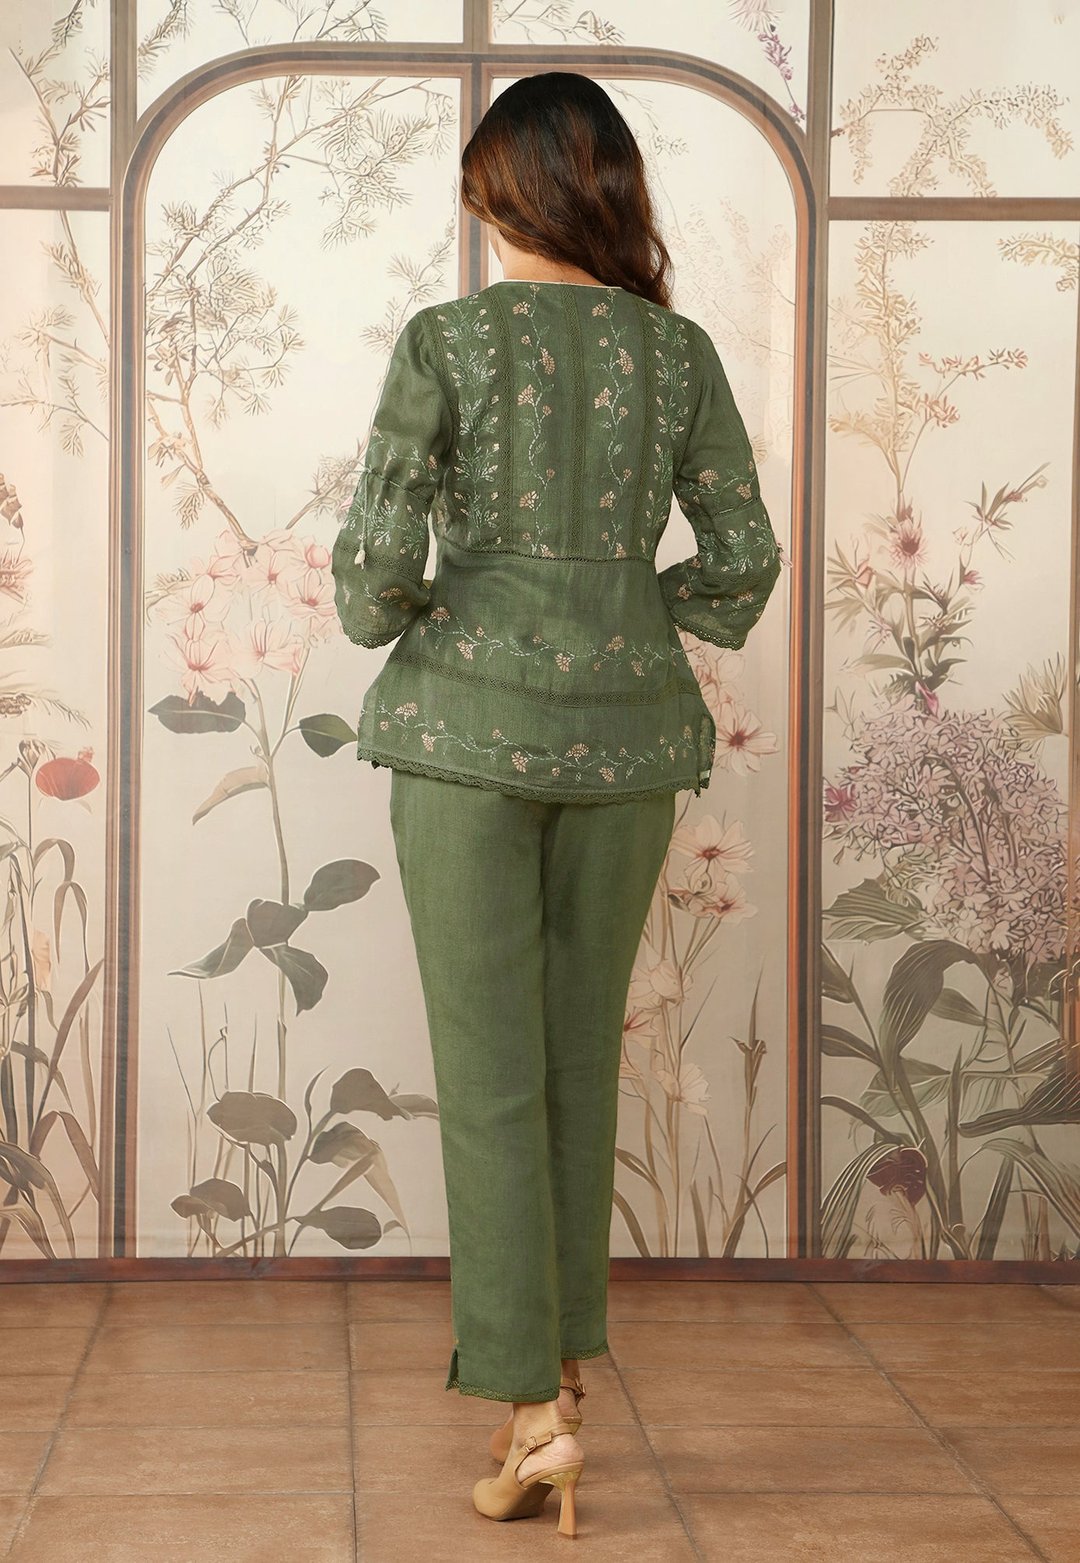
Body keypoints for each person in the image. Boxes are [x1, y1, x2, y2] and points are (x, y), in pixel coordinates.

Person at [332, 70, 783, 1538]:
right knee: (581, 1059)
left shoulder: (447, 339)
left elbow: (370, 573)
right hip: (630, 741)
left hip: (464, 737)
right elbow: (742, 563)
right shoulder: (679, 352)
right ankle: (563, 1389)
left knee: (491, 1073)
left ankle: (534, 1411)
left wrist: (440, 611)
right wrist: (627, 614)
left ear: (498, 194)